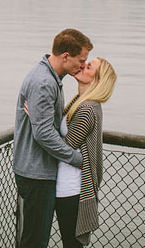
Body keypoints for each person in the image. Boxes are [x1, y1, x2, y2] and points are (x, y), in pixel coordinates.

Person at [13, 28, 93, 248]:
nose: (83, 65)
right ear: (66, 56)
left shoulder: (51, 78)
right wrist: (77, 160)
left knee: (35, 237)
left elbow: (44, 128)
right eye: (81, 60)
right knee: (35, 241)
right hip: (36, 173)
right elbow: (43, 134)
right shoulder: (44, 83)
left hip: (37, 169)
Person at [54, 57, 117, 247]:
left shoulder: (87, 108)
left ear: (97, 79)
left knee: (71, 244)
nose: (82, 65)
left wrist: (37, 122)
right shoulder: (78, 102)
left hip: (72, 190)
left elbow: (66, 146)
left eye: (89, 66)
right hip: (67, 187)